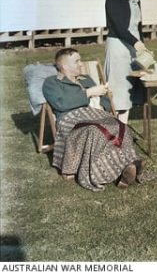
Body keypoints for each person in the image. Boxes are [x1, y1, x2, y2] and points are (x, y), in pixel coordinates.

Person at [42, 48, 140, 191]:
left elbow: (106, 102)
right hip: (73, 120)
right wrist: (88, 93)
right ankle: (124, 168)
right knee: (94, 131)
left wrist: (101, 101)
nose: (81, 64)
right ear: (64, 66)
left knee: (120, 126)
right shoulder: (52, 82)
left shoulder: (86, 79)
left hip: (96, 116)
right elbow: (61, 103)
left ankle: (128, 168)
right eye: (77, 61)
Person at [104, 0, 146, 124]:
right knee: (118, 89)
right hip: (118, 47)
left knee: (128, 88)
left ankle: (123, 127)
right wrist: (135, 42)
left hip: (132, 46)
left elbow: (139, 25)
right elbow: (118, 26)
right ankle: (114, 128)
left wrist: (142, 43)